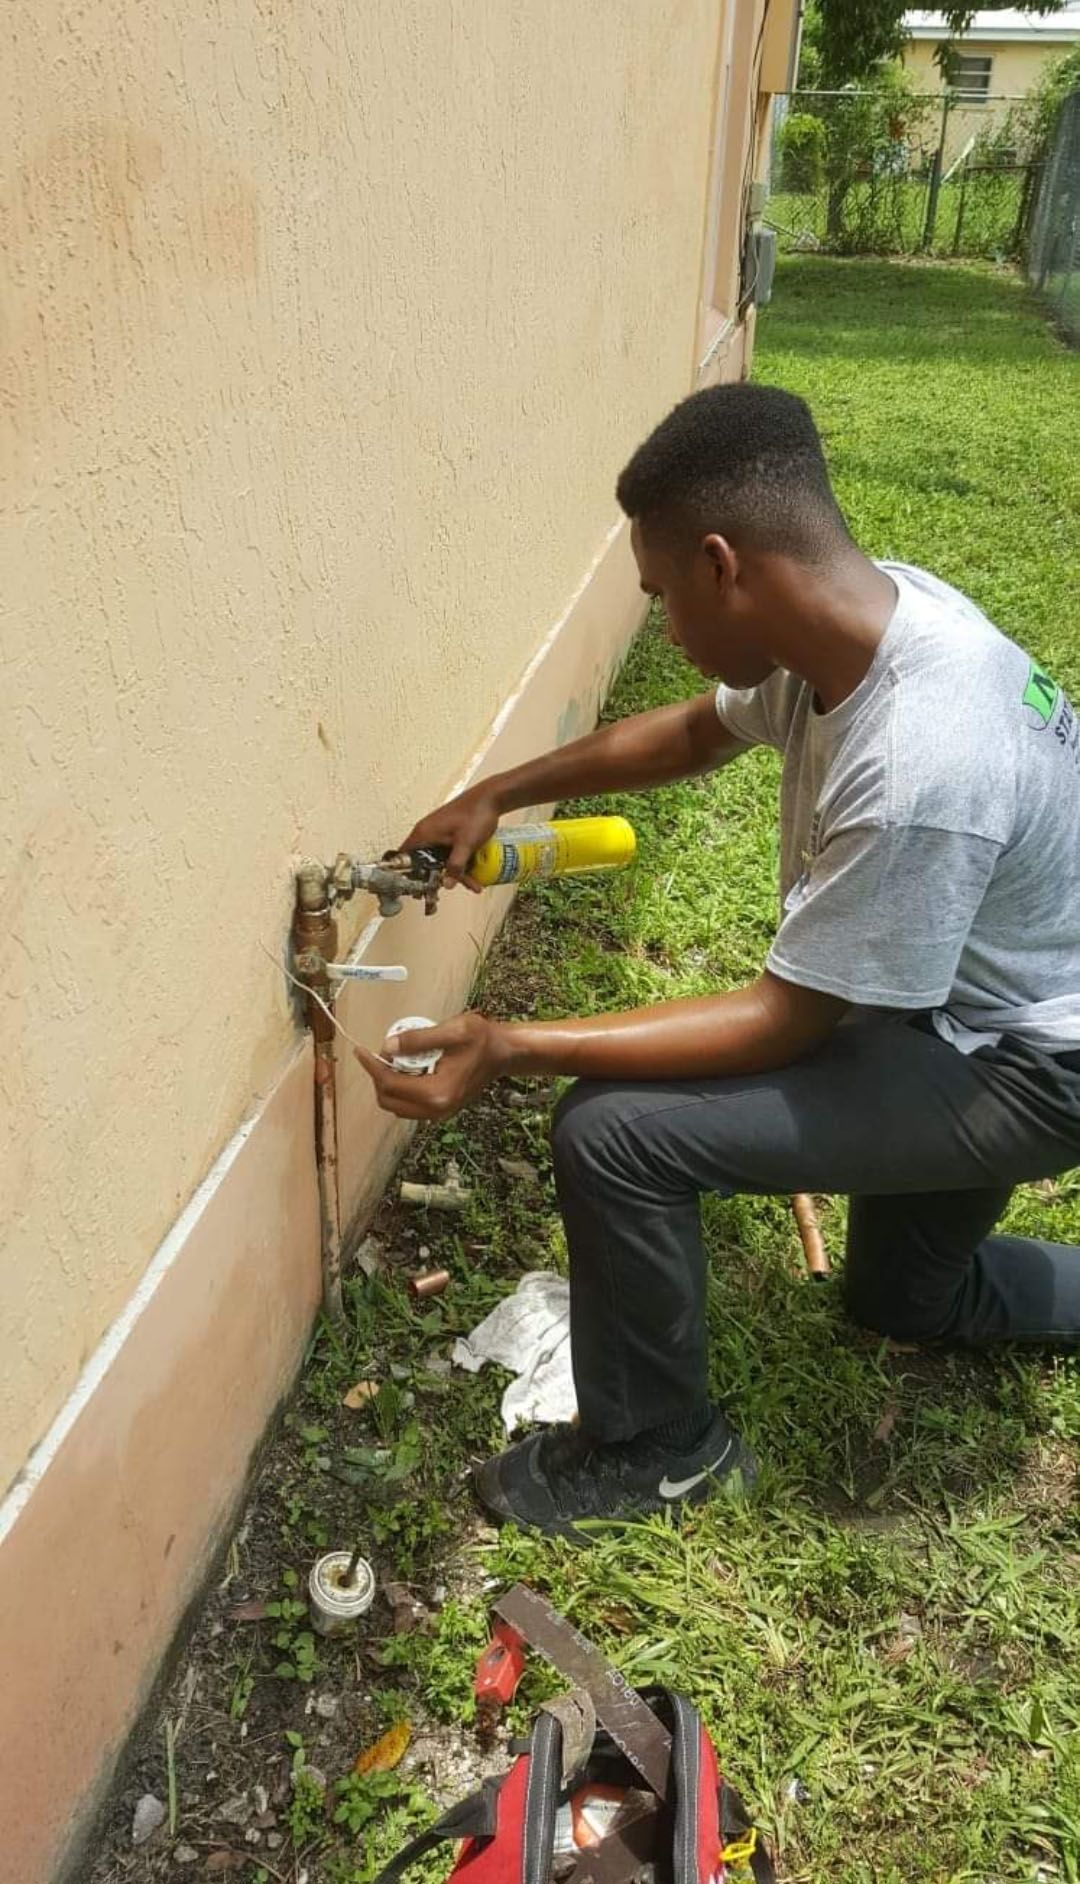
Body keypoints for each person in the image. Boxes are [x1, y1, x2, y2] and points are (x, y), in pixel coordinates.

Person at [355, 383, 1080, 1538]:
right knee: (905, 1300)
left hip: (1027, 1067)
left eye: (659, 596)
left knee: (618, 1133)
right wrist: (502, 790)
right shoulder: (863, 617)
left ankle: (659, 1453)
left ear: (720, 563)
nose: (668, 628)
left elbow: (788, 1022)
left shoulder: (924, 765)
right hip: (984, 1005)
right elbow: (699, 729)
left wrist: (510, 1047)